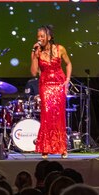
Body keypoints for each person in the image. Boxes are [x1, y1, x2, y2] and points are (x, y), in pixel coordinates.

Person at [30, 25, 71, 158]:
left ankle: (62, 148)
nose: (40, 39)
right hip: (45, 85)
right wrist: (35, 56)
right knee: (47, 115)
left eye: (42, 36)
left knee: (59, 116)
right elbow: (33, 72)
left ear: (49, 37)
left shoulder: (60, 49)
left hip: (59, 84)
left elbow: (68, 64)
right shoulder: (37, 51)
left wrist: (67, 80)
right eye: (38, 37)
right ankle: (45, 147)